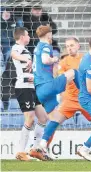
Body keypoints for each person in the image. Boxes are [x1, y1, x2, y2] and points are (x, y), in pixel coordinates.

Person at [32, 25, 80, 160]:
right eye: (51, 33)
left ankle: (40, 146)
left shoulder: (37, 47)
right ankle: (84, 94)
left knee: (55, 118)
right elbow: (45, 60)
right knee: (74, 73)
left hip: (40, 89)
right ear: (48, 35)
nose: (52, 36)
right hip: (48, 85)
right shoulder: (46, 45)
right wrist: (55, 59)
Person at [10, 27, 49, 161]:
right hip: (23, 88)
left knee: (43, 117)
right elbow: (13, 54)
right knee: (30, 118)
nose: (29, 37)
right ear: (21, 37)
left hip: (31, 87)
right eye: (27, 35)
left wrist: (33, 76)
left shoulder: (25, 50)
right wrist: (26, 60)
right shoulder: (17, 47)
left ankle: (35, 149)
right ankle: (20, 152)